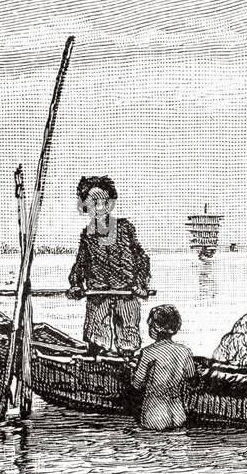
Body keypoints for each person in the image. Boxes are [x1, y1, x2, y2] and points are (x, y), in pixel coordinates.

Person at [67, 176, 151, 353]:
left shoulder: (125, 228)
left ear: (111, 203)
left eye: (105, 201)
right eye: (93, 202)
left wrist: (141, 284)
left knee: (128, 339)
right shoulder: (87, 235)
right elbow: (80, 265)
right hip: (98, 295)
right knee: (97, 340)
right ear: (84, 206)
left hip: (127, 293)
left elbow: (141, 259)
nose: (100, 207)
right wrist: (75, 285)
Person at [131, 305, 197, 431]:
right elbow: (193, 381)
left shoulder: (148, 352)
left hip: (155, 415)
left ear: (155, 327)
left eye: (150, 325)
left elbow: (136, 384)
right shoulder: (185, 351)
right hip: (178, 414)